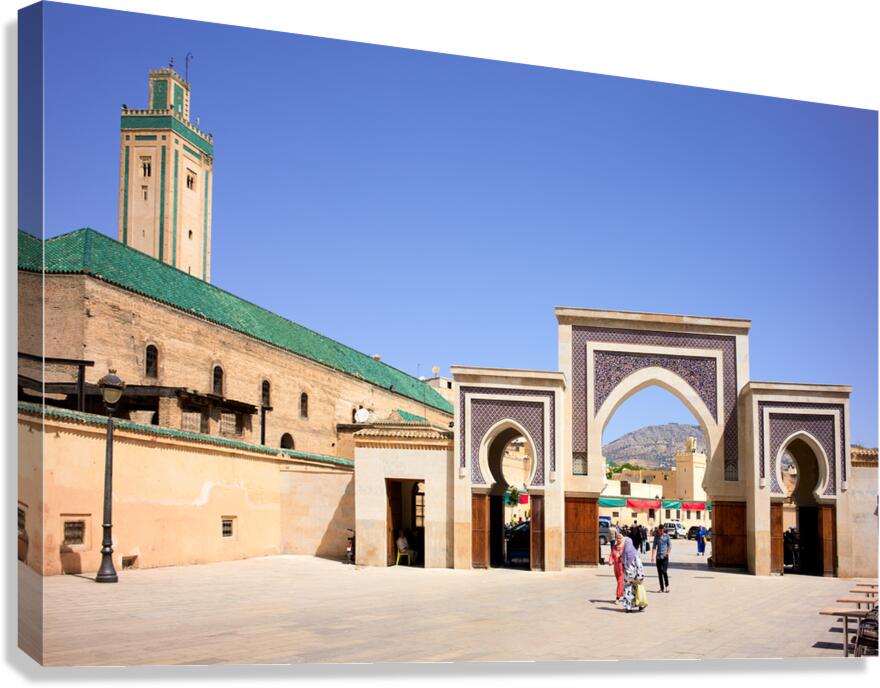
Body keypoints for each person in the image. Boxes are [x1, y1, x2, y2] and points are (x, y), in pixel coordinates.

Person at [620, 534, 647, 613]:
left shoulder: (626, 547)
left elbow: (623, 559)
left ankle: (628, 607)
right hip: (636, 574)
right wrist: (641, 575)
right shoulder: (636, 550)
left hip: (628, 574)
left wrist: (625, 567)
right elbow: (639, 563)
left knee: (628, 589)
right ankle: (640, 605)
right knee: (638, 588)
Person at [607, 529, 625, 604]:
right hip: (616, 568)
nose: (618, 539)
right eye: (617, 538)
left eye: (620, 538)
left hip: (622, 568)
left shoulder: (624, 547)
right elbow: (611, 555)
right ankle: (624, 594)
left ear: (622, 539)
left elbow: (627, 556)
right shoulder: (614, 546)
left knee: (620, 582)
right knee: (619, 582)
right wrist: (610, 561)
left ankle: (617, 598)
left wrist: (621, 556)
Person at [652, 525, 672, 592]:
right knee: (660, 573)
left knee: (664, 571)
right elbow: (654, 547)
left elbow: (669, 546)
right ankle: (662, 588)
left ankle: (667, 586)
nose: (660, 532)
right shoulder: (656, 537)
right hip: (658, 557)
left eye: (661, 530)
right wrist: (653, 557)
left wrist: (668, 553)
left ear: (663, 530)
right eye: (659, 530)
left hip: (665, 557)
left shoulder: (667, 536)